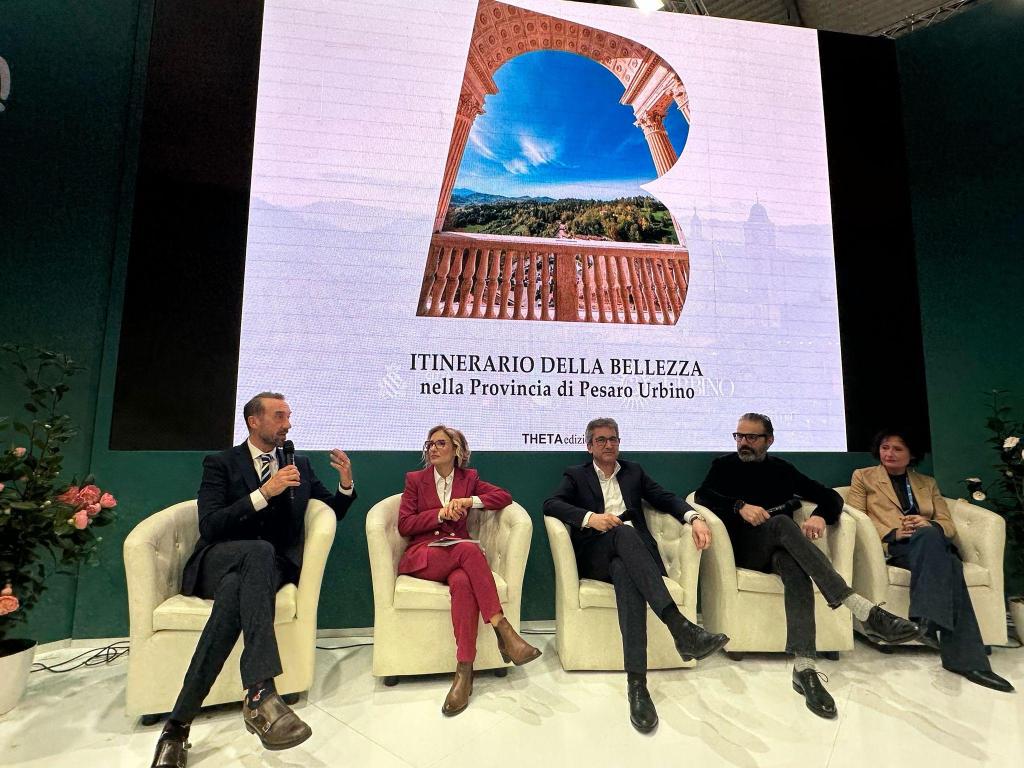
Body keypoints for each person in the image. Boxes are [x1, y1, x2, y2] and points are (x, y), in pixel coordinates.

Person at [151, 392, 357, 768]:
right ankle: (261, 692)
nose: (288, 424)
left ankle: (177, 727)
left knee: (238, 589)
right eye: (279, 416)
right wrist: (264, 493)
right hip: (219, 559)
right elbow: (210, 525)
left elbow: (331, 510)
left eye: (289, 416)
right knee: (256, 552)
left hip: (265, 569)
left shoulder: (299, 464)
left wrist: (345, 484)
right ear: (254, 421)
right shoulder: (221, 463)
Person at [695, 413, 921, 719]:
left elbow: (830, 498)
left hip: (780, 551)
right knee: (781, 523)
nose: (743, 443)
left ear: (769, 440)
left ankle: (805, 669)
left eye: (752, 437)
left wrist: (819, 516)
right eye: (739, 436)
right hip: (746, 550)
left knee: (796, 570)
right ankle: (861, 607)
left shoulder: (782, 470)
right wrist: (740, 506)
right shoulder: (724, 466)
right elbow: (703, 495)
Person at [543, 417, 728, 733]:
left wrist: (695, 518)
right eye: (601, 440)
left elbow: (665, 498)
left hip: (633, 559)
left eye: (613, 439)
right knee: (623, 533)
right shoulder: (576, 475)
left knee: (625, 566)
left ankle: (637, 686)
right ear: (589, 446)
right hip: (596, 555)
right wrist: (591, 518)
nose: (608, 444)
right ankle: (680, 627)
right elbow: (551, 504)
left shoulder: (634, 472)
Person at [848, 429, 1014, 692]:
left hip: (930, 544)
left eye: (897, 449)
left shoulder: (927, 483)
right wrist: (893, 533)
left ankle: (926, 620)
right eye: (885, 447)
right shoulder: (863, 477)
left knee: (931, 537)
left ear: (912, 454)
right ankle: (970, 662)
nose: (889, 453)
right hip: (898, 547)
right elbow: (856, 517)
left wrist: (929, 524)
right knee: (951, 565)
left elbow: (947, 523)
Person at [397, 425, 541, 716]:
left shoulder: (469, 479)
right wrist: (439, 514)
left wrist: (469, 501)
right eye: (430, 444)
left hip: (457, 559)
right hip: (424, 554)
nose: (433, 448)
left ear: (457, 450)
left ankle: (464, 671)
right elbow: (405, 524)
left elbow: (504, 497)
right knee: (469, 550)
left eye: (440, 443)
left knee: (463, 582)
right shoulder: (415, 480)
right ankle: (503, 629)